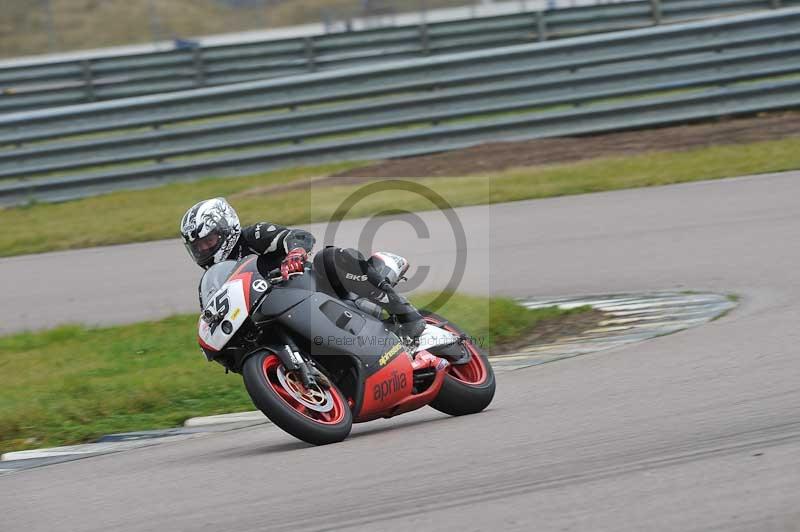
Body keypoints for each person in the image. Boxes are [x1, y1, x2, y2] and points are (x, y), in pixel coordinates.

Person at [180, 197, 425, 340]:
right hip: (279, 318)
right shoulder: (212, 281)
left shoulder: (252, 235)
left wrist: (295, 253)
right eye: (198, 247)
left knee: (329, 257)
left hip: (314, 288)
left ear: (226, 229)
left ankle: (405, 313)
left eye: (208, 241)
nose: (204, 250)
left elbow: (297, 236)